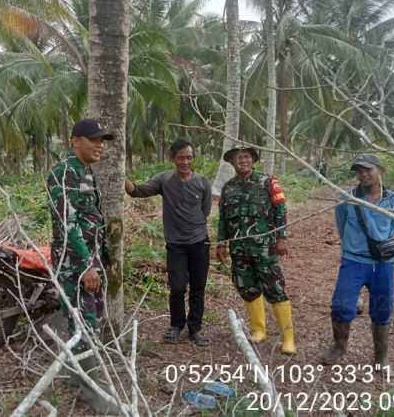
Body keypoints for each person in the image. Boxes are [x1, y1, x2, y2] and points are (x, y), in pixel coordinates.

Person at [45, 118, 118, 414]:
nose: (100, 144)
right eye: (94, 139)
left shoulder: (85, 172)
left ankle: (78, 378)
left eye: (103, 140)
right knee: (85, 324)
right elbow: (68, 224)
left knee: (86, 321)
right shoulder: (63, 173)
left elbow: (91, 220)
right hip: (75, 265)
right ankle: (92, 392)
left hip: (91, 260)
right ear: (75, 140)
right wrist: (87, 266)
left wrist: (100, 262)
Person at [125, 139, 212, 347]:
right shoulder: (164, 180)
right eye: (181, 157)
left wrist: (193, 227)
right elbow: (138, 191)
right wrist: (120, 176)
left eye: (189, 157)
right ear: (173, 158)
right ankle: (176, 325)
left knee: (198, 288)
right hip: (176, 245)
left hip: (200, 242)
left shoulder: (202, 182)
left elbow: (205, 211)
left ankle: (195, 329)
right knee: (177, 287)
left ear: (193, 159)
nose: (185, 162)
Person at [321, 154, 394, 369]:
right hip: (353, 260)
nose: (363, 174)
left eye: (368, 169)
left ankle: (380, 356)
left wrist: (381, 247)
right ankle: (339, 347)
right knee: (341, 305)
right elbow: (341, 225)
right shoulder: (347, 198)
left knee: (382, 309)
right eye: (359, 171)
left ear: (380, 170)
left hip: (383, 263)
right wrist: (353, 246)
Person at [216, 144, 296, 355]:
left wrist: (282, 238)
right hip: (239, 249)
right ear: (232, 162)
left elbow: (281, 210)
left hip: (264, 248)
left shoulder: (268, 182)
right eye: (237, 158)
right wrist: (221, 243)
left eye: (246, 157)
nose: (242, 161)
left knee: (275, 288)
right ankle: (258, 330)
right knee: (247, 287)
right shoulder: (228, 188)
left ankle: (288, 338)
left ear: (252, 159)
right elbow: (223, 219)